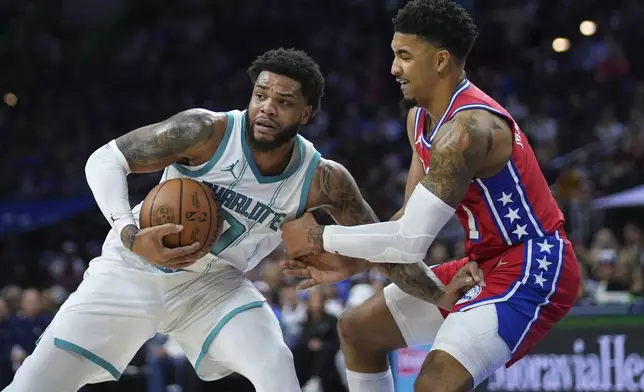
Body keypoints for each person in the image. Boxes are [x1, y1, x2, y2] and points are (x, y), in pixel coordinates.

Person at [7, 48, 482, 392]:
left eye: (284, 102)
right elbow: (104, 161)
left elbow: (383, 246)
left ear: (307, 112)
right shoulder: (204, 130)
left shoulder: (324, 180)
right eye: (261, 95)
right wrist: (131, 236)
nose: (268, 109)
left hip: (214, 286)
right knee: (33, 384)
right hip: (132, 270)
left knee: (275, 362)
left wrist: (438, 294)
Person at [279, 1, 582, 391]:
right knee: (357, 330)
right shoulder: (418, 118)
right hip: (483, 265)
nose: (393, 68)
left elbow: (409, 242)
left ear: (440, 61)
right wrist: (351, 262)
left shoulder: (468, 130)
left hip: (535, 264)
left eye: (404, 56)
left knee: (435, 382)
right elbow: (406, 223)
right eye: (394, 55)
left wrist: (322, 238)